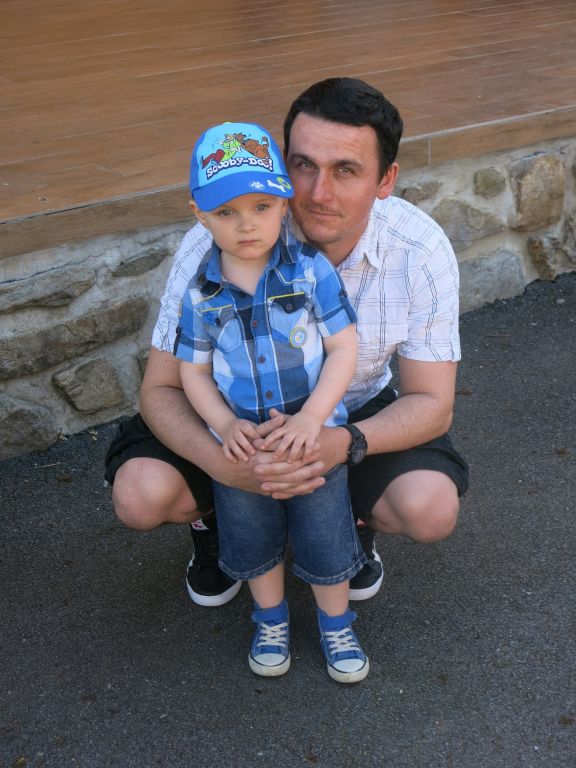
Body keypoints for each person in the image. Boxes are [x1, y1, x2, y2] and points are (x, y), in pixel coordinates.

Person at [105, 77, 468, 617]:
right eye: (303, 165)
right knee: (139, 495)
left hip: (349, 409)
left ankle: (349, 520)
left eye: (346, 170)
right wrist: (223, 464)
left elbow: (433, 404)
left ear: (386, 179)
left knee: (429, 507)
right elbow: (160, 390)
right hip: (230, 418)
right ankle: (215, 522)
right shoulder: (220, 240)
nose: (317, 193)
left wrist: (341, 443)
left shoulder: (420, 249)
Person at [173, 120, 369, 682]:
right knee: (252, 532)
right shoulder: (200, 294)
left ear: (284, 203)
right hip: (244, 445)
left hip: (310, 438)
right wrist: (223, 424)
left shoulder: (309, 271)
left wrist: (313, 419)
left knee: (325, 532)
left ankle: (336, 623)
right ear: (199, 214)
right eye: (226, 212)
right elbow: (193, 371)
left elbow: (344, 347)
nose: (246, 224)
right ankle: (270, 618)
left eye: (261, 207)